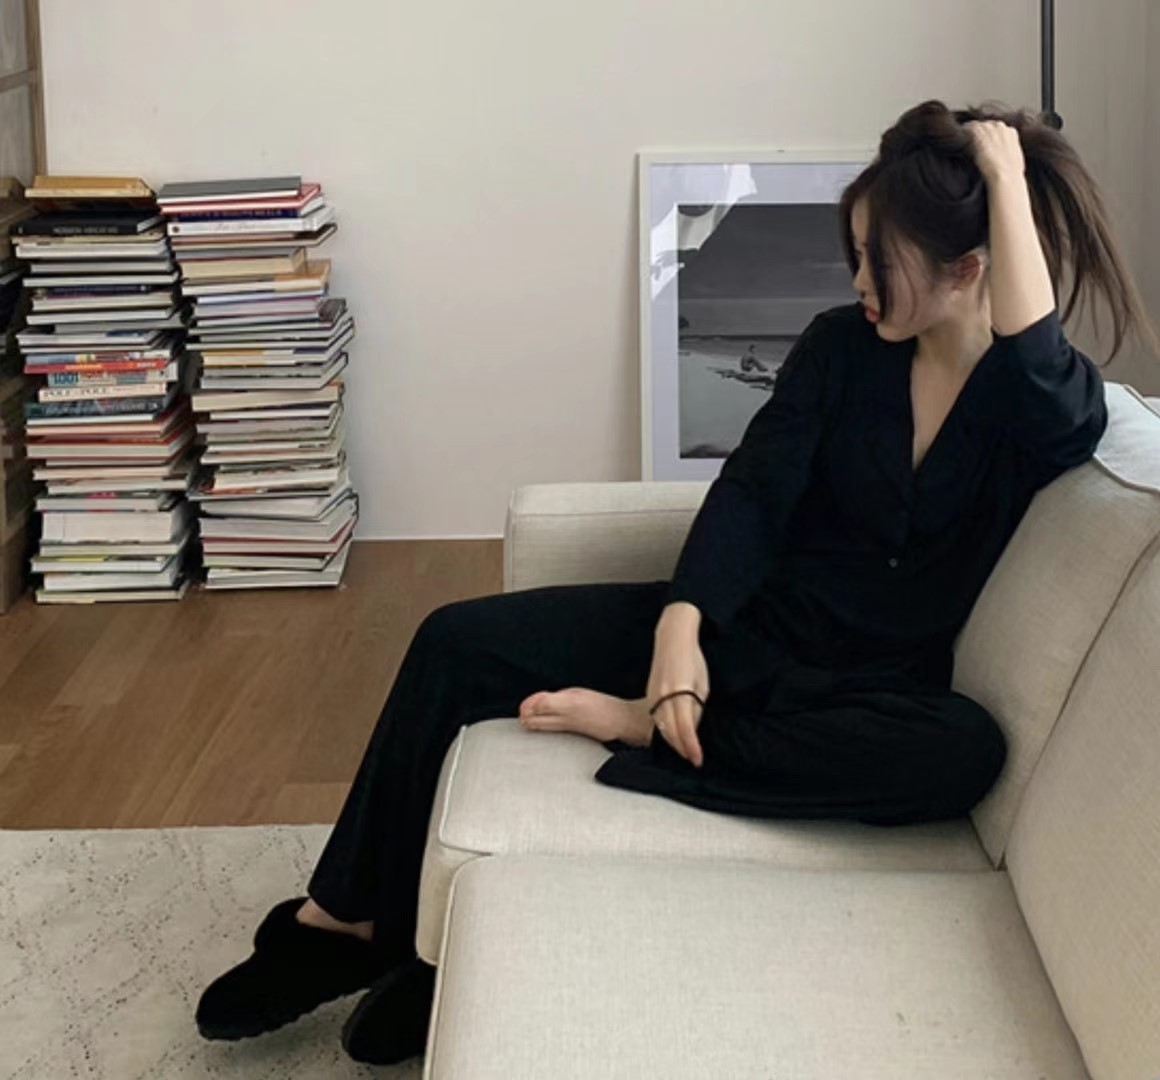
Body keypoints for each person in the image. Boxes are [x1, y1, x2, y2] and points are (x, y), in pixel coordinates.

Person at [194, 99, 1158, 1066]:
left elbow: (1041, 369)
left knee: (964, 750)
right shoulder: (840, 348)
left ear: (969, 269)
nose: (858, 280)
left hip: (857, 697)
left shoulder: (1037, 406)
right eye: (854, 253)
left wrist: (1004, 175)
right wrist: (681, 624)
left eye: (879, 260)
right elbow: (753, 492)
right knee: (454, 640)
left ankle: (640, 738)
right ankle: (349, 923)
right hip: (746, 628)